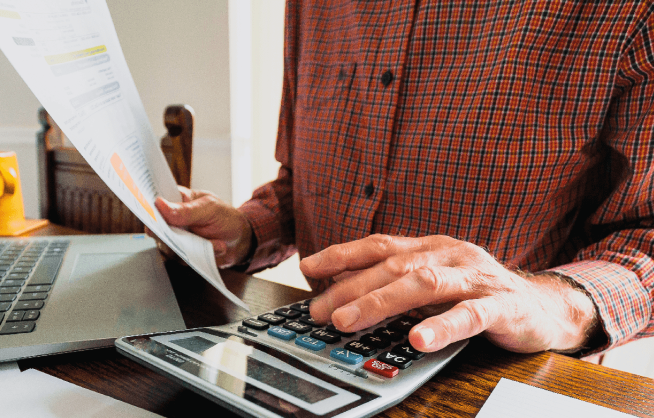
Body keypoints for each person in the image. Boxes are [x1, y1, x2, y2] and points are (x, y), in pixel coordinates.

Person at [157, 0, 653, 357]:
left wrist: (548, 304)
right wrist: (246, 229)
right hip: (308, 348)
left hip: (492, 376)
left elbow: (645, 239)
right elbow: (299, 181)